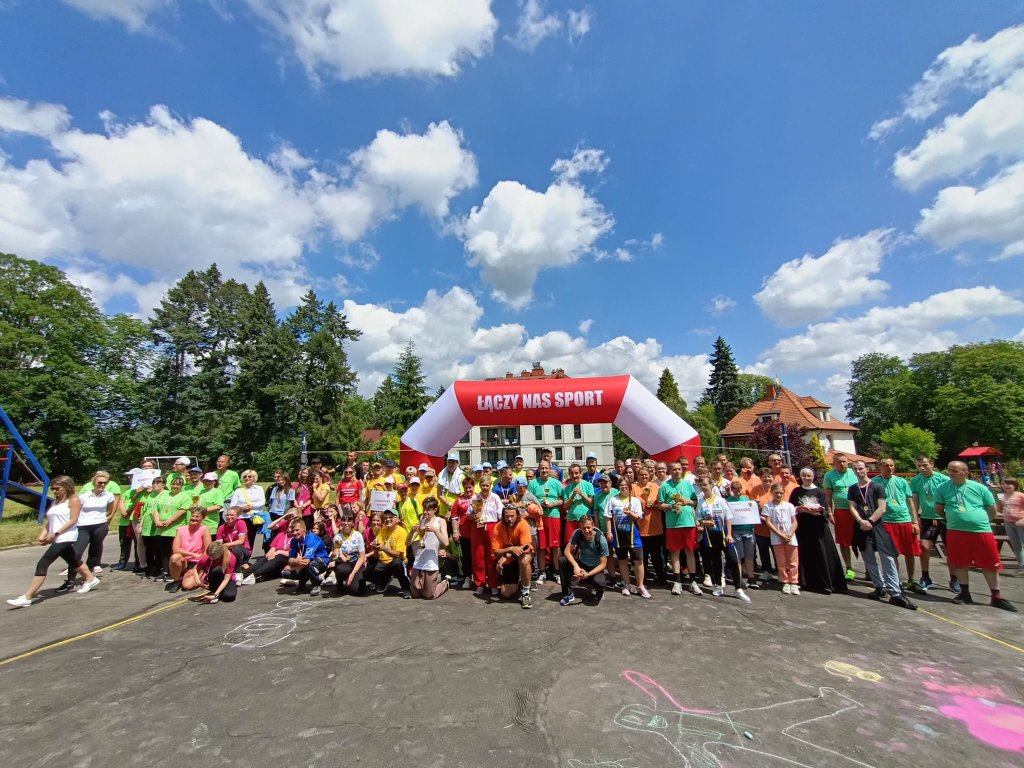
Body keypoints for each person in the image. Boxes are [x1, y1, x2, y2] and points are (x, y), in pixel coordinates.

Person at [7, 475, 100, 607]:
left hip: (66, 537)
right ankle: (91, 579)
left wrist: (55, 534)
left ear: (67, 487)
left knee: (43, 564)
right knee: (73, 560)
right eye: (53, 489)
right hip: (56, 537)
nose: (55, 491)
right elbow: (50, 521)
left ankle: (27, 597)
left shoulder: (74, 500)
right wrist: (43, 535)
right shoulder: (55, 502)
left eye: (57, 488)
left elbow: (73, 520)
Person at [934, 461, 1016, 611]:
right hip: (955, 531)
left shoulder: (979, 488)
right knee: (960, 562)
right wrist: (953, 519)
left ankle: (996, 597)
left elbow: (991, 509)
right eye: (949, 470)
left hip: (981, 531)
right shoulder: (942, 488)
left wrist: (981, 521)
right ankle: (964, 593)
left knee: (989, 563)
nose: (951, 473)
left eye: (955, 470)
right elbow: (939, 509)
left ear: (965, 472)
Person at [847, 461, 917, 610]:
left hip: (877, 526)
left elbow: (882, 507)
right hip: (861, 526)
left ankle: (896, 593)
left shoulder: (877, 486)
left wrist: (870, 521)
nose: (858, 471)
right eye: (855, 469)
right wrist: (860, 521)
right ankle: (879, 587)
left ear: (866, 469)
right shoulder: (852, 488)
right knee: (868, 557)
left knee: (888, 558)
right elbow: (852, 507)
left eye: (861, 468)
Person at [789, 468, 847, 595]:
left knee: (821, 554)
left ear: (813, 477)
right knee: (804, 553)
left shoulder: (819, 492)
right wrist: (800, 509)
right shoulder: (796, 491)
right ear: (800, 477)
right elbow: (791, 507)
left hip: (818, 527)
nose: (806, 478)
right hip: (802, 527)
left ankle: (824, 583)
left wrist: (818, 512)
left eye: (808, 476)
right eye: (804, 475)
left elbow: (825, 509)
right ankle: (805, 582)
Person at [57, 471, 116, 592]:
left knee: (94, 553)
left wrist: (103, 519)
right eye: (100, 482)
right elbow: (74, 510)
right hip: (83, 526)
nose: (102, 485)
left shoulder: (109, 495)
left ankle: (87, 578)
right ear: (94, 483)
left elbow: (110, 510)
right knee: (76, 553)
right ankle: (70, 581)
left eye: (105, 483)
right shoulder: (84, 496)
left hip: (100, 526)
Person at [872, 458, 925, 594]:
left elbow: (910, 502)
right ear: (880, 467)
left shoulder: (902, 481)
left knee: (909, 552)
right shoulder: (874, 482)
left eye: (892, 465)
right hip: (886, 521)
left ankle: (911, 580)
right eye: (886, 465)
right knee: (891, 554)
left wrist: (915, 521)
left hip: (904, 520)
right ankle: (896, 581)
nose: (890, 468)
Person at [695, 477, 749, 601]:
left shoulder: (720, 500)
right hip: (711, 536)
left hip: (724, 535)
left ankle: (738, 589)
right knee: (716, 562)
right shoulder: (701, 502)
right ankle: (718, 586)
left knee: (733, 560)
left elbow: (728, 517)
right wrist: (704, 523)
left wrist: (729, 534)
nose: (703, 487)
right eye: (701, 485)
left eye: (705, 484)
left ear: (711, 485)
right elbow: (698, 519)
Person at [910, 455, 952, 592]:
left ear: (931, 464)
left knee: (950, 548)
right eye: (919, 466)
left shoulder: (944, 479)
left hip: (944, 517)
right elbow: (914, 501)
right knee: (924, 546)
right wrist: (915, 519)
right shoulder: (915, 480)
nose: (922, 468)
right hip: (928, 518)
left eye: (925, 465)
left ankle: (954, 578)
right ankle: (925, 576)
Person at [659, 462, 700, 596]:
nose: (677, 471)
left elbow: (695, 502)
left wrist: (688, 502)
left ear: (682, 471)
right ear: (669, 471)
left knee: (690, 551)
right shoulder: (665, 486)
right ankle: (677, 581)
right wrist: (671, 506)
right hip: (673, 524)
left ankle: (693, 581)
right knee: (675, 553)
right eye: (674, 469)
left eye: (679, 469)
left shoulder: (687, 484)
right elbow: (660, 505)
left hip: (688, 523)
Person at [606, 477, 651, 598]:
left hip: (633, 535)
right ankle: (626, 585)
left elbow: (638, 517)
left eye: (626, 485)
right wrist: (609, 532)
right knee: (622, 560)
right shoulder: (613, 500)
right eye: (621, 485)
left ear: (630, 487)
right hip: (618, 535)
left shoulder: (635, 500)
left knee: (639, 561)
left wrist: (630, 513)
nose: (624, 487)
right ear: (618, 487)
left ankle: (640, 586)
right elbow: (608, 517)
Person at [823, 453, 859, 581]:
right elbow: (828, 497)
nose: (842, 464)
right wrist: (830, 513)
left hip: (859, 511)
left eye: (844, 461)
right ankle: (849, 568)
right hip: (841, 511)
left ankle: (869, 570)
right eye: (838, 462)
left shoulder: (854, 472)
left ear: (848, 462)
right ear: (834, 463)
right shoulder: (829, 475)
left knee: (862, 541)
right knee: (844, 542)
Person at [492, 502, 534, 608]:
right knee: (505, 594)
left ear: (517, 515)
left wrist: (507, 555)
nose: (510, 519)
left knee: (524, 560)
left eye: (512, 516)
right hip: (509, 560)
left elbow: (527, 546)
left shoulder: (523, 524)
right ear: (503, 516)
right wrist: (510, 549)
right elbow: (496, 552)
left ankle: (526, 593)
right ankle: (520, 580)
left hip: (521, 555)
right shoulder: (498, 527)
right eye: (507, 516)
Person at [559, 515, 609, 606]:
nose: (586, 531)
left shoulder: (601, 540)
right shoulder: (577, 533)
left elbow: (603, 564)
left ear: (593, 526)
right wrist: (576, 566)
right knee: (563, 560)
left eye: (588, 527)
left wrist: (588, 574)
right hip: (582, 565)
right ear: (580, 527)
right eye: (583, 528)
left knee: (599, 582)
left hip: (595, 568)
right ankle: (568, 594)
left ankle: (599, 592)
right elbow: (567, 551)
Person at [761, 483, 800, 595]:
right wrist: (780, 534)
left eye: (781, 493)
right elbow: (768, 522)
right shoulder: (768, 506)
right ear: (771, 493)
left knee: (793, 561)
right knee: (781, 561)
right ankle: (785, 581)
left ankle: (794, 582)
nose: (778, 495)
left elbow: (794, 521)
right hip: (777, 537)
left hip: (790, 536)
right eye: (776, 493)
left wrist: (790, 534)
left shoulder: (789, 505)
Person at [528, 461, 564, 584]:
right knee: (541, 547)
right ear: (539, 469)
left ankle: (557, 572)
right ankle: (542, 572)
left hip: (554, 516)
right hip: (539, 518)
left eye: (546, 468)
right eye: (542, 468)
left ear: (549, 469)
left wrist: (553, 504)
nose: (544, 470)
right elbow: (528, 501)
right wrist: (539, 505)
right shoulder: (533, 483)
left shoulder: (556, 483)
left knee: (555, 546)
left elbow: (562, 500)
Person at [409, 498, 451, 600]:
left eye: (428, 510)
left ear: (435, 510)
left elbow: (446, 542)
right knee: (415, 594)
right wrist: (412, 531)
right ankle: (425, 583)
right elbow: (408, 542)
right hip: (419, 561)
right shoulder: (422, 520)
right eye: (424, 509)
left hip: (431, 563)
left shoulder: (440, 521)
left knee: (429, 595)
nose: (425, 512)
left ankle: (445, 582)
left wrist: (435, 530)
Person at [153, 475, 192, 581]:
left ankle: (174, 573)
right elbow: (155, 509)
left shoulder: (185, 496)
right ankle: (165, 572)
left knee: (173, 552)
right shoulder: (163, 495)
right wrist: (157, 521)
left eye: (178, 484)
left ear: (182, 486)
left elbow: (182, 510)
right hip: (161, 529)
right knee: (163, 552)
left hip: (175, 529)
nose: (175, 486)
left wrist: (169, 521)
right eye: (173, 484)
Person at [469, 477, 503, 596]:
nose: (485, 488)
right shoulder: (475, 498)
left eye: (487, 485)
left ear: (490, 485)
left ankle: (493, 584)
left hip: (492, 527)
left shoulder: (495, 498)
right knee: (478, 556)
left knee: (492, 556)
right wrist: (475, 516)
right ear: (480, 485)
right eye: (483, 485)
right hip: (477, 527)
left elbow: (500, 515)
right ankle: (480, 583)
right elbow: (468, 515)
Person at [366, 509, 412, 598]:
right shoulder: (383, 530)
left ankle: (406, 588)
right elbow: (377, 553)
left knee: (397, 563)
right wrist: (375, 548)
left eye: (391, 517)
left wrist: (384, 548)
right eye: (386, 518)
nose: (388, 519)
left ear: (397, 519)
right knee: (366, 573)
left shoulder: (402, 532)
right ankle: (385, 580)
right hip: (384, 561)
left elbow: (398, 554)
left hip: (397, 560)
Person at [239, 514, 295, 586]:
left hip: (288, 560)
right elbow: (273, 547)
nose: (290, 528)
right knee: (266, 557)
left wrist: (278, 552)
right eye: (289, 526)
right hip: (276, 558)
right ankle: (244, 574)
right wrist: (270, 554)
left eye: (292, 527)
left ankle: (254, 575)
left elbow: (294, 553)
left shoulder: (296, 537)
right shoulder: (281, 534)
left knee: (279, 557)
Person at [282, 517, 330, 596]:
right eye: (293, 530)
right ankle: (302, 582)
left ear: (304, 529)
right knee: (286, 573)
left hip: (321, 561)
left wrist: (291, 567)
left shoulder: (312, 538)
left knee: (312, 564)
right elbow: (290, 559)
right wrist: (295, 561)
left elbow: (306, 562)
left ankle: (316, 584)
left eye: (297, 530)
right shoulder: (294, 540)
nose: (294, 533)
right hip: (306, 561)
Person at [168, 509, 213, 593]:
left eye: (197, 517)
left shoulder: (204, 529)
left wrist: (200, 565)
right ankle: (176, 581)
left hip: (197, 562)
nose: (194, 518)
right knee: (175, 557)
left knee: (187, 586)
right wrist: (192, 554)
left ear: (203, 518)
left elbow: (208, 550)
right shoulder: (181, 530)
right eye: (193, 516)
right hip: (184, 561)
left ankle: (200, 574)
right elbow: (175, 549)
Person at [330, 511, 367, 596]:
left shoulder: (357, 535)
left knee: (357, 591)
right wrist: (334, 555)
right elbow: (335, 558)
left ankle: (351, 580)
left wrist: (352, 574)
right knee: (342, 570)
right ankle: (339, 582)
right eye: (344, 520)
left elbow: (361, 557)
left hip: (357, 563)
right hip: (344, 564)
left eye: (349, 520)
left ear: (353, 522)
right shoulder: (338, 537)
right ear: (341, 522)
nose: (346, 523)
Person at [450, 475, 476, 587]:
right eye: (466, 488)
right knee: (465, 556)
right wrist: (455, 531)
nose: (468, 490)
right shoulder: (459, 500)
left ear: (473, 487)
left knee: (476, 555)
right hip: (464, 532)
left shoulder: (478, 498)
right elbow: (454, 517)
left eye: (470, 487)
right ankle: (467, 577)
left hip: (477, 532)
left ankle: (478, 578)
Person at [997, 478, 1024, 574]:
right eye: (1003, 484)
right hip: (1008, 522)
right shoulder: (1002, 496)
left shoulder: (1020, 495)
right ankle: (1022, 567)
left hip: (1021, 522)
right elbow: (999, 509)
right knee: (1016, 545)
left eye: (1009, 484)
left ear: (1015, 485)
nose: (1006, 486)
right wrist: (999, 504)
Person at [263, 472, 296, 552]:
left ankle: (277, 550)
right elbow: (271, 502)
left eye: (282, 480)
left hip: (281, 514)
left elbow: (288, 504)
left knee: (278, 533)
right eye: (279, 480)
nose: (281, 482)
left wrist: (284, 516)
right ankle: (268, 550)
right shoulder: (275, 489)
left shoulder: (291, 490)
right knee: (269, 533)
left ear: (286, 480)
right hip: (272, 513)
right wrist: (268, 512)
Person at [562, 463, 595, 539]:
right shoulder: (567, 488)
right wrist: (572, 496)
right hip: (571, 520)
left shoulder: (588, 485)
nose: (574, 476)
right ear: (569, 474)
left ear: (580, 473)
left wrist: (581, 494)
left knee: (586, 542)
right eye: (572, 473)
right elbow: (565, 506)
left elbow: (591, 503)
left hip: (585, 521)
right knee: (570, 543)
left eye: (576, 473)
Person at [216, 506, 251, 578]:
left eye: (232, 515)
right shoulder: (221, 527)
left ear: (237, 516)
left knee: (236, 548)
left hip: (242, 549)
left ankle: (238, 569)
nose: (229, 517)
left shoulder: (241, 523)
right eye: (227, 515)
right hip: (229, 549)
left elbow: (241, 541)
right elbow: (218, 544)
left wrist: (226, 544)